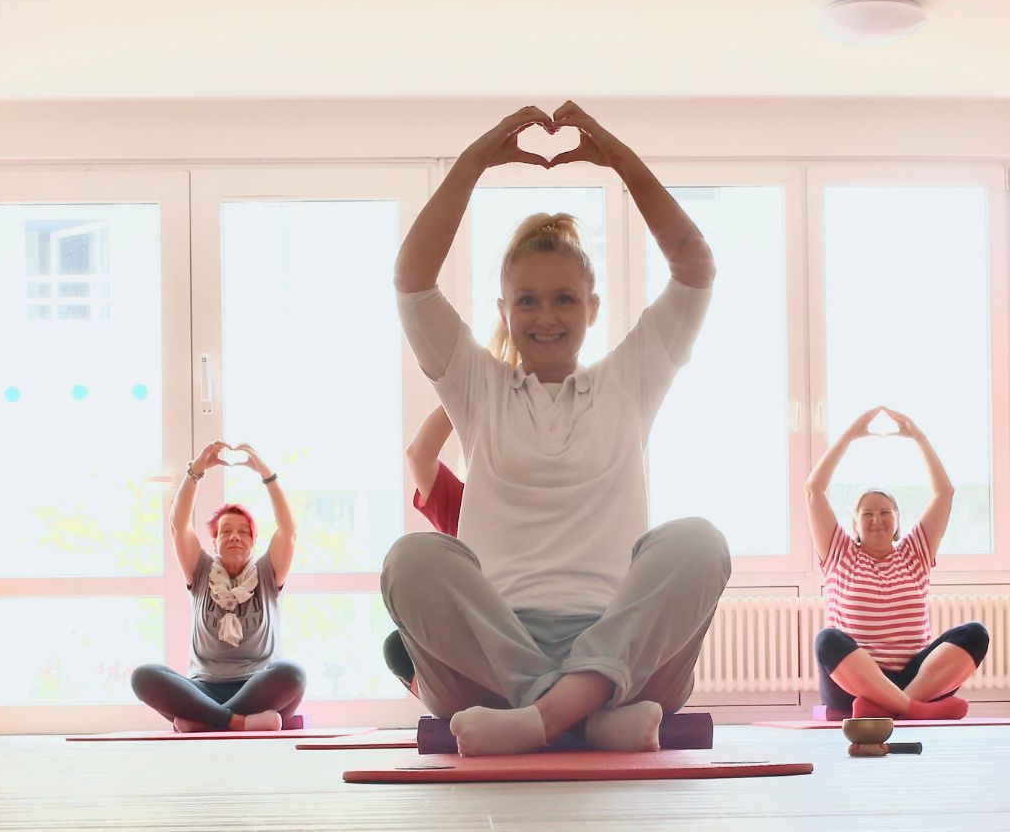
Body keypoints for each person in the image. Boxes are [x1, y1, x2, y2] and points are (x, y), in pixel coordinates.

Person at [381, 102, 731, 756]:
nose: (547, 317)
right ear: (505, 311)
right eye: (528, 301)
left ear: (593, 307)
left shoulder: (630, 380)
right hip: (494, 653)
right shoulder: (478, 387)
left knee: (699, 542)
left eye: (565, 298)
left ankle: (545, 716)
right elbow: (412, 280)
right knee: (411, 560)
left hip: (623, 651)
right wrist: (476, 161)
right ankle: (583, 713)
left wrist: (620, 160)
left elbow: (695, 268)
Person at [807, 406, 990, 720]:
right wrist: (850, 435)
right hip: (855, 685)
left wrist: (918, 437)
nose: (876, 519)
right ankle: (912, 710)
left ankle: (895, 706)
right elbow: (814, 490)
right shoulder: (840, 552)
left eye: (885, 512)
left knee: (975, 633)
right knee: (827, 639)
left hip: (916, 678)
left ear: (897, 520)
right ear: (855, 524)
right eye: (867, 513)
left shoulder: (914, 552)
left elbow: (944, 493)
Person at [130, 441, 305, 732]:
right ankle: (235, 722)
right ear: (214, 541)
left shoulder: (266, 572)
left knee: (292, 673)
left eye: (243, 532)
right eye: (226, 531)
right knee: (144, 676)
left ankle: (204, 720)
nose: (234, 537)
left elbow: (288, 529)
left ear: (253, 541)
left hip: (258, 687)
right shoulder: (200, 571)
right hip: (202, 689)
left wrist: (267, 474)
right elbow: (178, 524)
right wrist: (196, 470)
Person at [384, 406, 463, 695]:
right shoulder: (463, 503)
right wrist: (466, 392)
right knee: (398, 647)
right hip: (485, 641)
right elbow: (418, 455)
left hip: (544, 631)